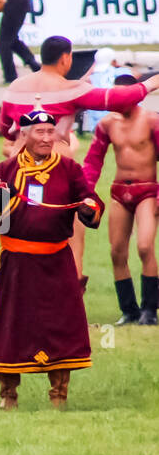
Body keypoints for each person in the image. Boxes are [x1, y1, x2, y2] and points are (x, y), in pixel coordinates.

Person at [0, 36, 159, 284]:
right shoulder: (70, 89)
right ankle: (71, 301)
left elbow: (5, 128)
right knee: (72, 235)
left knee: (15, 233)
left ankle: (0, 293)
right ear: (65, 58)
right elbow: (118, 99)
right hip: (54, 174)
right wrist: (151, 83)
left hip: (17, 174)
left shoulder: (15, 88)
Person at [0, 109, 102, 409]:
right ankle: (8, 395)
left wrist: (87, 207)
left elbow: (91, 204)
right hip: (15, 264)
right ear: (25, 136)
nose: (46, 138)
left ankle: (59, 395)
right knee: (10, 325)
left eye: (50, 132)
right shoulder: (6, 169)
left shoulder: (69, 169)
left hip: (56, 261)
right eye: (39, 132)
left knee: (60, 325)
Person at [82, 75, 159, 325]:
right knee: (117, 252)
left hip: (147, 190)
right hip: (119, 192)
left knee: (145, 247)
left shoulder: (151, 121)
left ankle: (150, 309)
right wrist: (86, 192)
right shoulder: (106, 124)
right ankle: (129, 310)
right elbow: (93, 161)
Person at [83, 48, 124, 135]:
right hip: (118, 121)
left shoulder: (90, 77)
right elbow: (136, 75)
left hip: (96, 124)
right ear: (113, 60)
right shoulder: (120, 72)